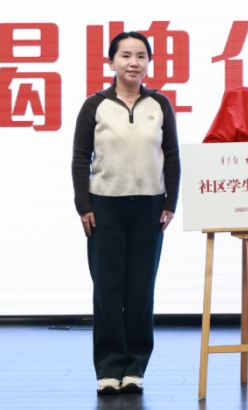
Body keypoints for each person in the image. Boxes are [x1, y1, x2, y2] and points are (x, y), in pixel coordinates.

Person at [71, 31, 180, 395]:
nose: (134, 62)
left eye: (141, 56)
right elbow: (80, 157)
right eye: (126, 55)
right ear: (111, 62)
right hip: (105, 207)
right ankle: (108, 368)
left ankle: (135, 367)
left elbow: (172, 156)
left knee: (140, 291)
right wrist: (84, 205)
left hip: (150, 207)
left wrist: (170, 202)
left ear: (149, 62)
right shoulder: (95, 105)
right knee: (107, 290)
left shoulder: (159, 104)